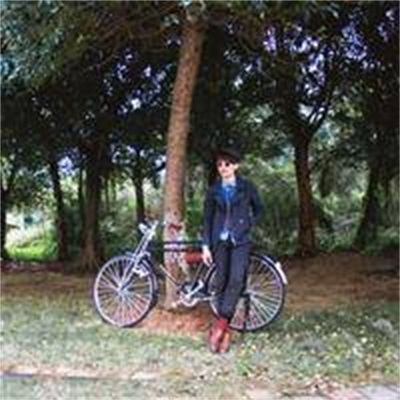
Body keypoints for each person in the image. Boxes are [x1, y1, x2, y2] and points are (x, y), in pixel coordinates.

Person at [202, 147, 264, 353]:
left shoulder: (247, 187)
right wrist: (205, 246)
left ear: (236, 166)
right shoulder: (213, 190)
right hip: (219, 242)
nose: (223, 168)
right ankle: (226, 331)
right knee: (221, 283)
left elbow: (259, 210)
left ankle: (219, 327)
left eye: (227, 164)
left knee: (236, 280)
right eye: (219, 164)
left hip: (241, 241)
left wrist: (247, 223)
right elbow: (207, 219)